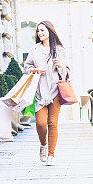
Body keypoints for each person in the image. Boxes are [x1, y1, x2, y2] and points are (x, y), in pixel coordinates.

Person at [24, 21, 70, 166]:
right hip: (39, 91)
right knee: (41, 123)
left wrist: (61, 66)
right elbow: (26, 67)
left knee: (52, 123)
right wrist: (35, 70)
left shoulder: (59, 50)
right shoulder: (34, 49)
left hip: (55, 90)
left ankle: (51, 154)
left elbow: (68, 72)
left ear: (50, 31)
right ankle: (43, 144)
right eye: (38, 31)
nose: (40, 33)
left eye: (43, 30)